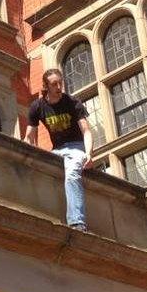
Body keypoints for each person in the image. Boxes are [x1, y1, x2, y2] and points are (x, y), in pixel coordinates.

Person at [24, 68, 93, 232]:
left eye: (60, 83)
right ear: (46, 86)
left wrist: (88, 154)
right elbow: (29, 135)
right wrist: (29, 148)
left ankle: (77, 222)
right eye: (54, 84)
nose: (58, 87)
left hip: (76, 147)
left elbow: (86, 130)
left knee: (72, 175)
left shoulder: (72, 102)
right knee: (42, 173)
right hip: (57, 150)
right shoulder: (37, 106)